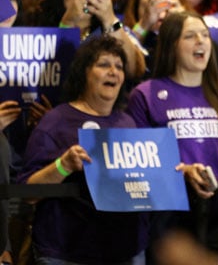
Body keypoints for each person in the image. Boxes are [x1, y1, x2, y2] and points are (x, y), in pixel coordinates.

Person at [18, 36, 149, 264]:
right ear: (84, 73)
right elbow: (27, 194)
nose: (113, 72)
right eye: (103, 64)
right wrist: (64, 165)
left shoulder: (127, 123)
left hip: (124, 251)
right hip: (67, 253)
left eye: (119, 66)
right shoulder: (56, 121)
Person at [127, 11, 218, 253]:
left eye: (205, 35)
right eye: (190, 36)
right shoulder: (146, 94)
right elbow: (138, 163)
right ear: (171, 45)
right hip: (171, 216)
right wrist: (184, 171)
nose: (201, 41)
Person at [38, 0, 146, 80]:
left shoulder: (116, 26)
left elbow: (134, 69)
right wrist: (67, 23)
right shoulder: (41, 30)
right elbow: (50, 73)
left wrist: (109, 18)